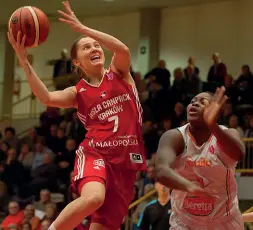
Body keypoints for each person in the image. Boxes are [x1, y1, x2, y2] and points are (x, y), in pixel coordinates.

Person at [7, 1, 146, 230]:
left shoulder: (119, 74)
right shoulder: (78, 92)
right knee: (94, 198)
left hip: (125, 164)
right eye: (86, 48)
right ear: (76, 62)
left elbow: (122, 49)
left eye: (96, 46)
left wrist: (83, 29)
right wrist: (23, 60)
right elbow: (46, 97)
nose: (94, 49)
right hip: (96, 153)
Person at [155, 87, 245, 229]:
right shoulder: (174, 136)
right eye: (192, 101)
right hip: (185, 223)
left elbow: (238, 154)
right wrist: (190, 186)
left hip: (224, 221)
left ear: (216, 111)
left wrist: (212, 125)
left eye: (202, 102)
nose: (195, 104)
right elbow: (161, 171)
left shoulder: (229, 133)